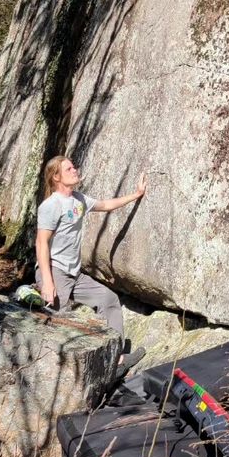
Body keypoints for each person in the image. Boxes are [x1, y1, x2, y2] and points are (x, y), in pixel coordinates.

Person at [35, 154, 147, 365]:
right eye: (68, 169)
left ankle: (116, 359)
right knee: (53, 324)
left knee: (109, 300)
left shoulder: (78, 199)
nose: (75, 170)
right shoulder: (51, 205)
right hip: (54, 271)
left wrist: (137, 194)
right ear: (56, 177)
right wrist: (48, 282)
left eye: (73, 166)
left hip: (74, 274)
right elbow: (41, 243)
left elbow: (105, 205)